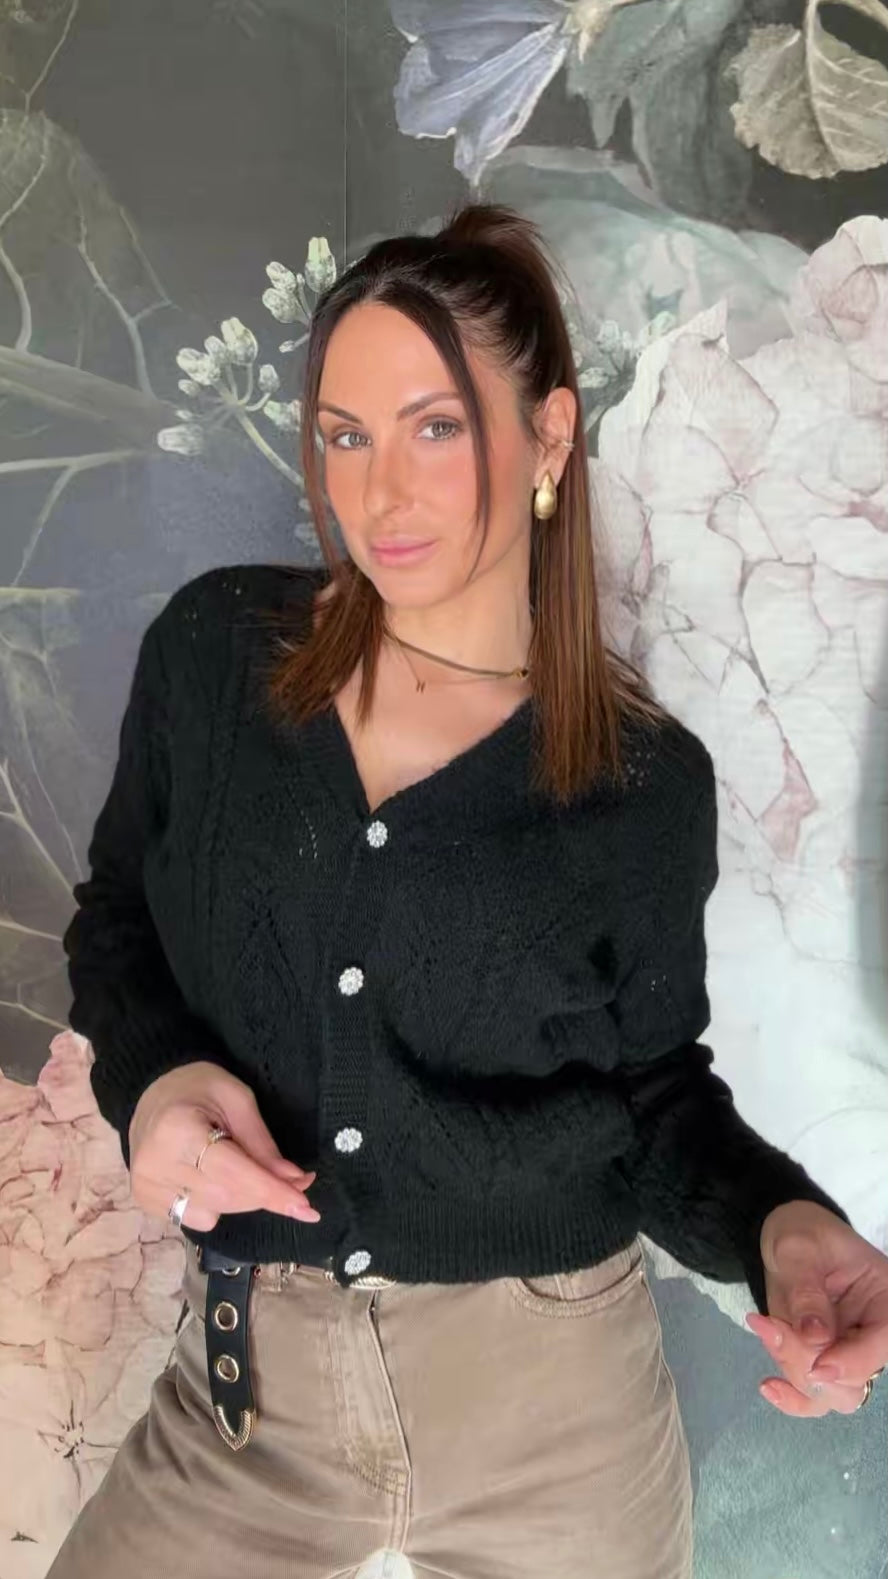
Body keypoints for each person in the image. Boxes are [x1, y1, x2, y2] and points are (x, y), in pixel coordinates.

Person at [47, 203, 887, 1579]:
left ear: (549, 438)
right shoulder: (214, 655)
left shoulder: (639, 787)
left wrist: (779, 1229)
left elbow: (654, 1097)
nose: (381, 493)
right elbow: (119, 916)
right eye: (346, 436)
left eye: (436, 428)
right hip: (248, 1407)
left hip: (557, 1418)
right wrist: (155, 1083)